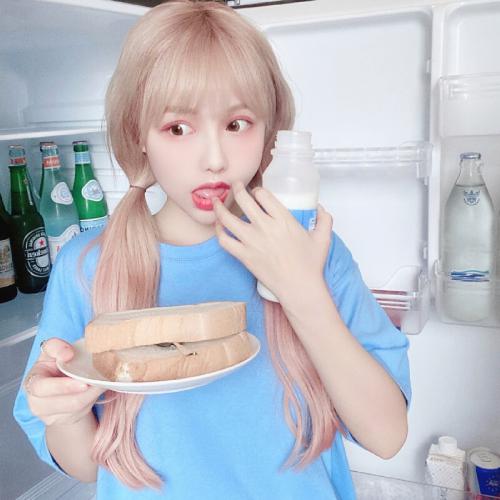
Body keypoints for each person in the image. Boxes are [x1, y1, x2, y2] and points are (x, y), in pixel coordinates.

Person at [13, 2, 411, 499]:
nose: (215, 159)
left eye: (237, 124)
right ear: (139, 136)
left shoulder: (313, 252)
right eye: (178, 128)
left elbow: (386, 435)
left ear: (271, 134)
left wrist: (303, 292)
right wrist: (67, 414)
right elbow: (87, 466)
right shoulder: (86, 266)